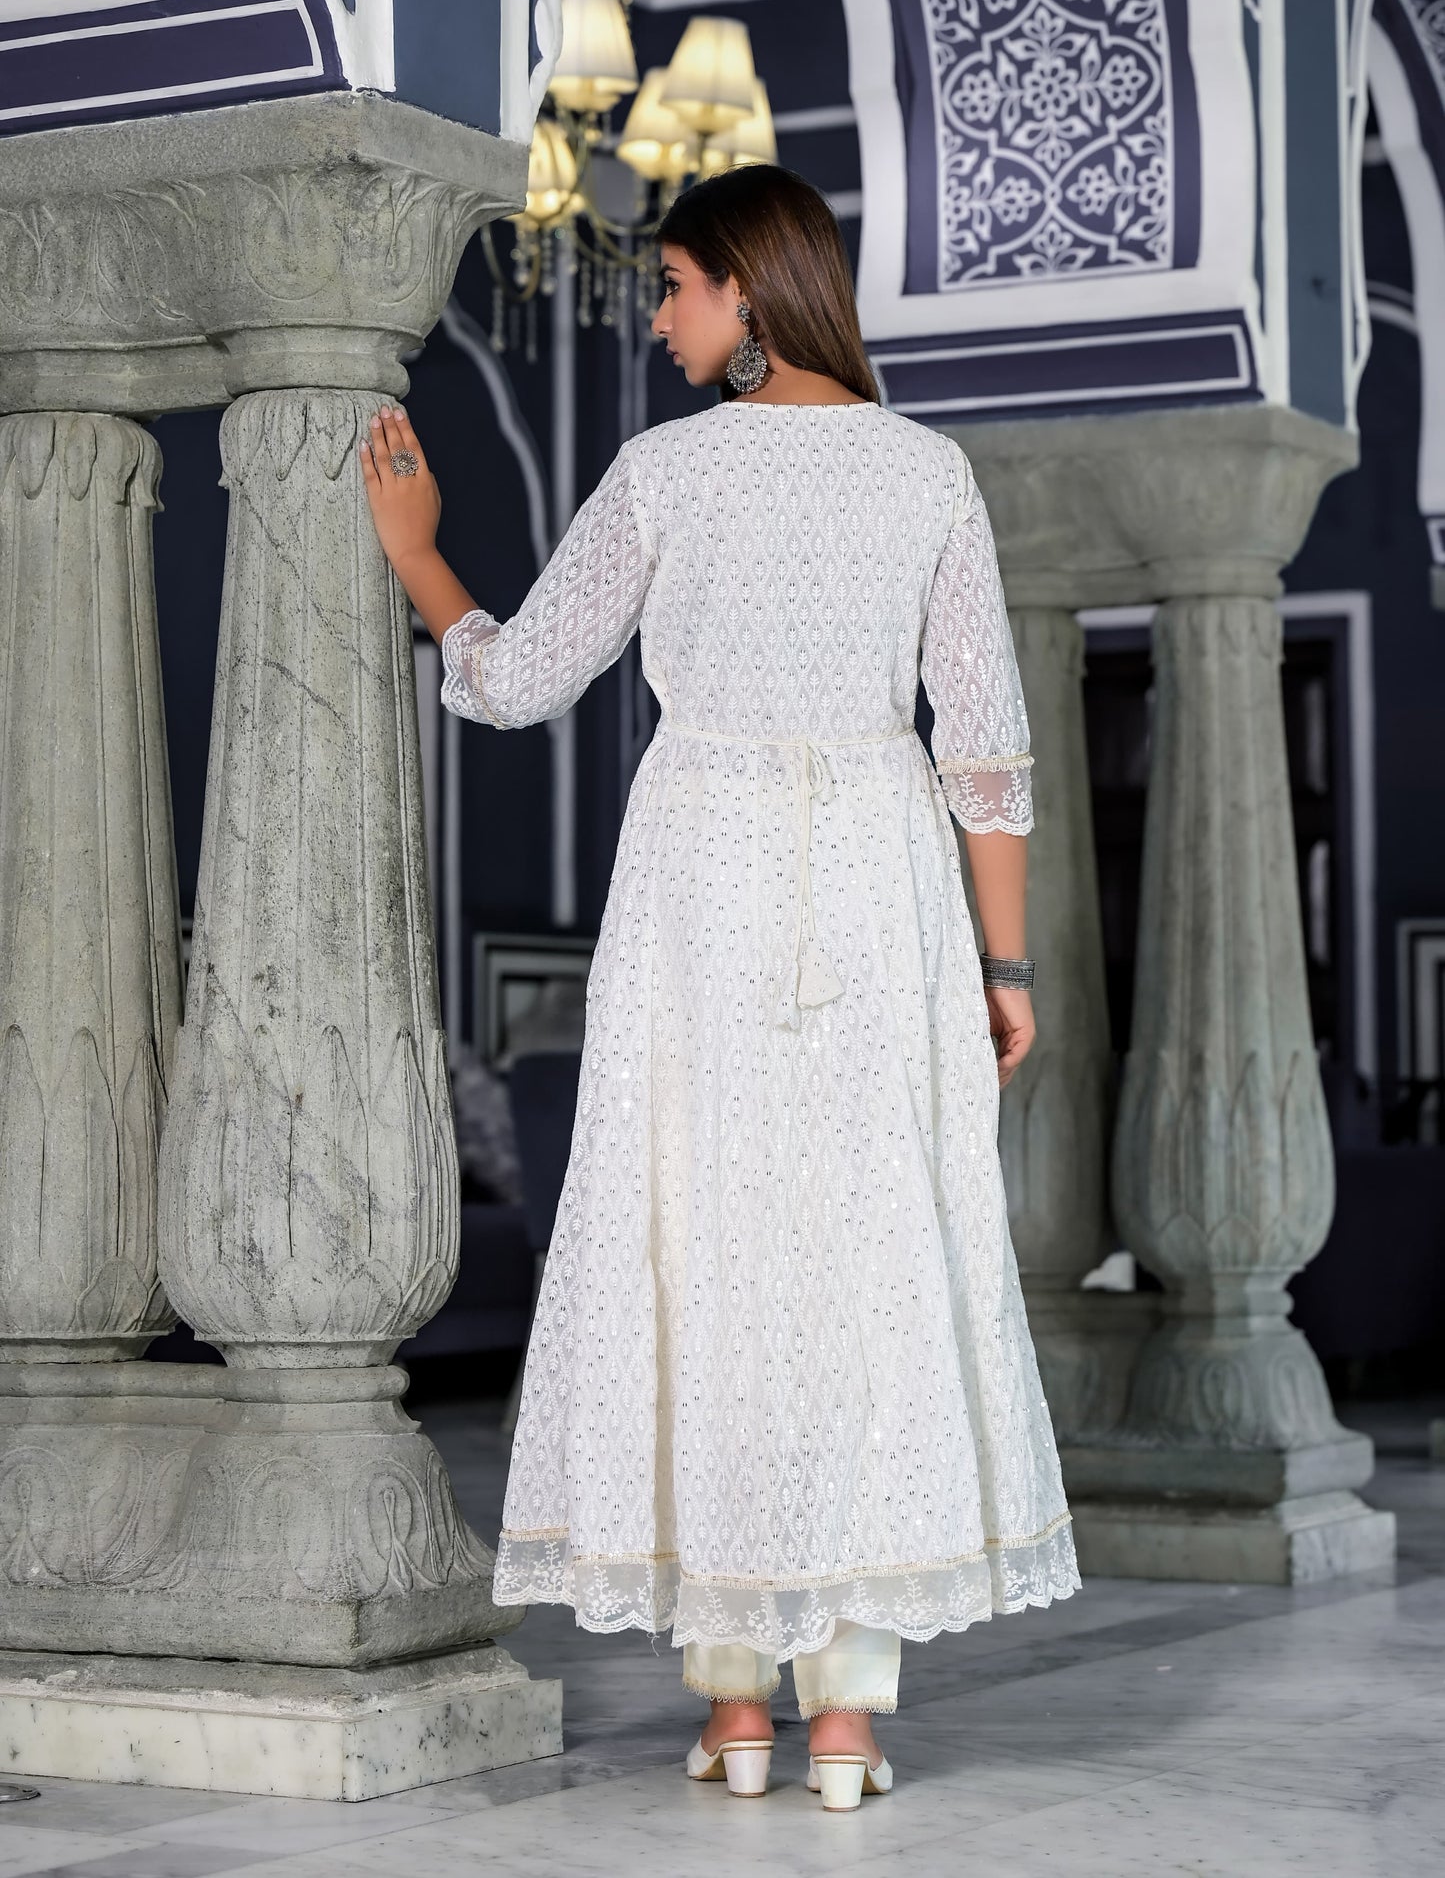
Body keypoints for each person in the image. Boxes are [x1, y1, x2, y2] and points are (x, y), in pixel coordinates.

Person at [360, 162, 1078, 1814]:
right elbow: (983, 755)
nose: (661, 321)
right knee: (868, 1268)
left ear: (747, 288)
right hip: (882, 884)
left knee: (704, 1254)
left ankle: (738, 1708)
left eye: (674, 287)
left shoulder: (664, 472)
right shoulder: (928, 473)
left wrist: (419, 556)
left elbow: (518, 681)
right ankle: (849, 1723)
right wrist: (1006, 966)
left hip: (702, 878)